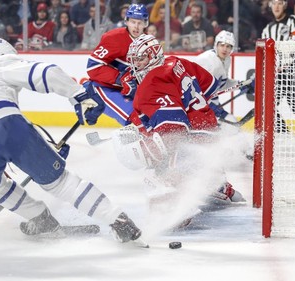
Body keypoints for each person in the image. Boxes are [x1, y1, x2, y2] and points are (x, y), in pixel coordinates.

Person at [0, 37, 142, 244]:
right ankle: (119, 221)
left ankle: (41, 220)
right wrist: (79, 95)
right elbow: (46, 73)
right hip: (5, 125)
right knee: (60, 182)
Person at [120, 34, 244, 203]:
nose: (136, 64)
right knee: (201, 161)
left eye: (140, 59)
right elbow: (208, 85)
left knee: (160, 166)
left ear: (153, 55)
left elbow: (174, 129)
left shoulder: (152, 82)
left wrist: (147, 146)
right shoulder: (175, 61)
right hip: (209, 126)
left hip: (193, 136)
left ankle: (172, 202)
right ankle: (220, 186)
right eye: (134, 60)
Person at [86, 3, 148, 126]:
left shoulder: (148, 42)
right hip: (104, 87)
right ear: (126, 21)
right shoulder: (113, 38)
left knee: (150, 114)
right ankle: (136, 143)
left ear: (145, 24)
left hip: (128, 90)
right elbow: (93, 66)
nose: (136, 26)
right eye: (133, 22)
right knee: (135, 119)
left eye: (140, 23)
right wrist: (120, 78)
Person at [195, 30, 255, 122]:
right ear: (216, 45)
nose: (225, 49)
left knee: (231, 123)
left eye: (228, 46)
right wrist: (210, 107)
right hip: (197, 104)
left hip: (210, 101)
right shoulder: (209, 61)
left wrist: (241, 85)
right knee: (231, 125)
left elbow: (221, 84)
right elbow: (195, 88)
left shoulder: (226, 60)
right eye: (222, 45)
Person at [261, 0, 295, 132]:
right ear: (271, 6)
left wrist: (286, 61)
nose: (276, 7)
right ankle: (283, 132)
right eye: (274, 4)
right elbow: (265, 53)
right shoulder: (268, 28)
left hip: (292, 71)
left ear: (284, 5)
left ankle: (283, 131)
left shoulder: (293, 21)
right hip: (277, 74)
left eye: (279, 3)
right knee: (268, 105)